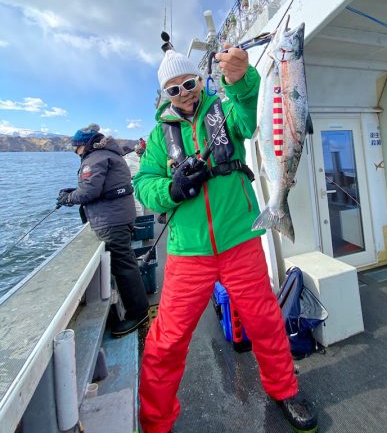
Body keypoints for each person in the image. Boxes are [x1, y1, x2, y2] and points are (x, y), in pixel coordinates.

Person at [134, 48, 318, 433]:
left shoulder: (224, 111)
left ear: (200, 81)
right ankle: (154, 422)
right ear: (165, 96)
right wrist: (174, 188)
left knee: (266, 323)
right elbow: (144, 186)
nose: (184, 93)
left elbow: (252, 115)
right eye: (174, 89)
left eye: (189, 83)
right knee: (165, 342)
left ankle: (284, 390)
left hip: (240, 240)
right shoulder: (157, 137)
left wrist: (241, 80)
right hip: (188, 252)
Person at [56, 124, 149, 337]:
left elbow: (89, 191)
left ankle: (139, 312)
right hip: (119, 216)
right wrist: (75, 191)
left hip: (111, 220)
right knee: (125, 262)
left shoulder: (94, 159)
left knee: (123, 265)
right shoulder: (108, 154)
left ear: (84, 145)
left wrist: (69, 198)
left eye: (76, 148)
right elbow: (100, 186)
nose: (75, 152)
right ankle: (137, 308)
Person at [124, 139, 147, 216]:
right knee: (139, 202)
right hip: (139, 181)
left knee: (136, 203)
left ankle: (140, 219)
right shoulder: (136, 158)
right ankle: (141, 216)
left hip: (132, 182)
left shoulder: (126, 161)